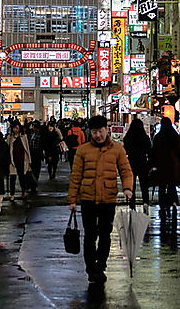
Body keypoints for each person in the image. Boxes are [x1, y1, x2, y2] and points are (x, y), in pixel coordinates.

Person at [67, 115, 134, 284]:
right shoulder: (83, 150)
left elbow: (126, 171)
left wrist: (127, 188)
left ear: (107, 130)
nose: (98, 135)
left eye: (101, 131)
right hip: (88, 199)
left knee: (105, 234)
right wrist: (72, 199)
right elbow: (75, 176)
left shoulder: (117, 150)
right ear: (90, 132)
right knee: (90, 235)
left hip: (108, 199)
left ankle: (101, 265)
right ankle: (91, 269)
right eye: (94, 132)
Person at [150, 117, 180, 219]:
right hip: (173, 165)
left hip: (161, 164)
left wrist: (153, 164)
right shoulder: (175, 136)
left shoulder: (158, 137)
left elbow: (154, 152)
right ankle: (174, 202)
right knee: (172, 185)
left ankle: (162, 204)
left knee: (162, 186)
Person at [122, 118, 152, 210]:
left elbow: (125, 149)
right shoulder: (145, 137)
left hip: (131, 162)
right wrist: (150, 164)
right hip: (143, 162)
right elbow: (149, 151)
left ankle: (132, 204)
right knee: (144, 185)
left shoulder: (128, 137)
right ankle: (145, 202)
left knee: (132, 185)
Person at [6, 121, 32, 201]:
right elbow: (8, 148)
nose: (16, 130)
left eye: (17, 128)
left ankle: (23, 192)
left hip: (22, 160)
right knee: (12, 178)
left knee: (22, 177)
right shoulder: (10, 137)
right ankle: (12, 194)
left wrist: (29, 160)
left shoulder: (24, 136)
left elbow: (27, 148)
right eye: (14, 128)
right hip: (13, 160)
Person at [28, 121, 44, 186]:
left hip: (37, 153)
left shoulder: (40, 134)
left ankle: (35, 182)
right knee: (32, 168)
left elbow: (42, 144)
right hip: (31, 153)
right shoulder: (31, 133)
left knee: (36, 169)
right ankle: (32, 182)